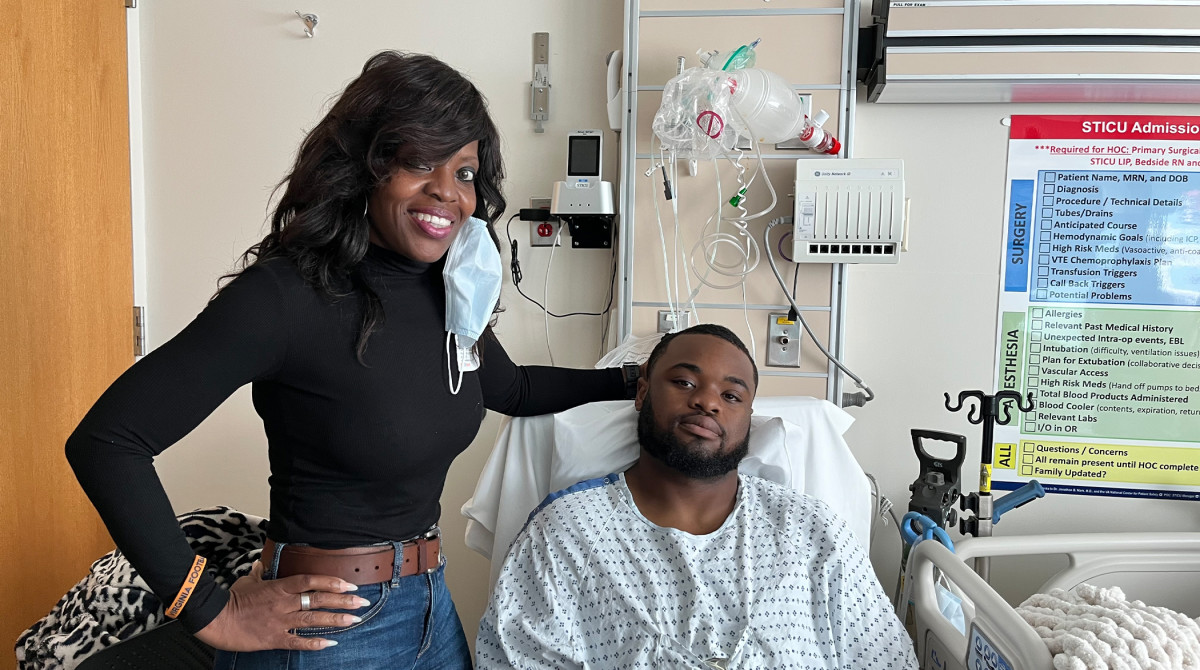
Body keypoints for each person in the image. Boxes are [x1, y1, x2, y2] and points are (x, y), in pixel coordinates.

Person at [64, 51, 640, 669]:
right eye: (419, 161)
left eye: (465, 170)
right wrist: (211, 611)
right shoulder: (286, 296)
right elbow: (107, 442)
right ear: (364, 165)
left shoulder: (451, 294)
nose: (447, 191)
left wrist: (636, 381)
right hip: (325, 631)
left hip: (431, 611)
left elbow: (514, 388)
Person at [476, 324, 918, 669]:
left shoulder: (812, 533)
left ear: (749, 418)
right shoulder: (564, 534)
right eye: (685, 383)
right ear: (643, 392)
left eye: (731, 394)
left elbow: (885, 658)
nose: (708, 402)